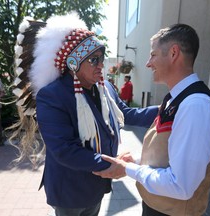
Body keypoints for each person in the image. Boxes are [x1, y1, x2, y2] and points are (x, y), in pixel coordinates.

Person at [11, 13, 158, 216]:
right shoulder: (52, 95)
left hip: (97, 184)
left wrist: (168, 108)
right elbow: (64, 149)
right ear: (73, 63)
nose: (101, 65)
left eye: (102, 58)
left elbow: (127, 114)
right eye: (94, 60)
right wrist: (114, 165)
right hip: (69, 190)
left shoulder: (105, 87)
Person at [93, 24, 210, 215]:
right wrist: (137, 160)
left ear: (173, 53)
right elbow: (169, 156)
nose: (148, 63)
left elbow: (181, 186)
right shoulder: (178, 99)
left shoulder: (196, 106)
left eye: (153, 55)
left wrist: (129, 168)